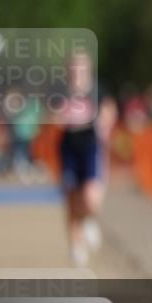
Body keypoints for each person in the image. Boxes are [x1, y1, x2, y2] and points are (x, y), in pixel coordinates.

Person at [55, 50, 117, 267]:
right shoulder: (61, 92)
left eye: (80, 67)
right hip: (69, 149)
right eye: (73, 67)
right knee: (72, 199)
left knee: (90, 198)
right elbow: (53, 116)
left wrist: (104, 124)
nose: (76, 72)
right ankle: (75, 247)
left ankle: (89, 220)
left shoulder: (97, 90)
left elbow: (109, 111)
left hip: (90, 148)